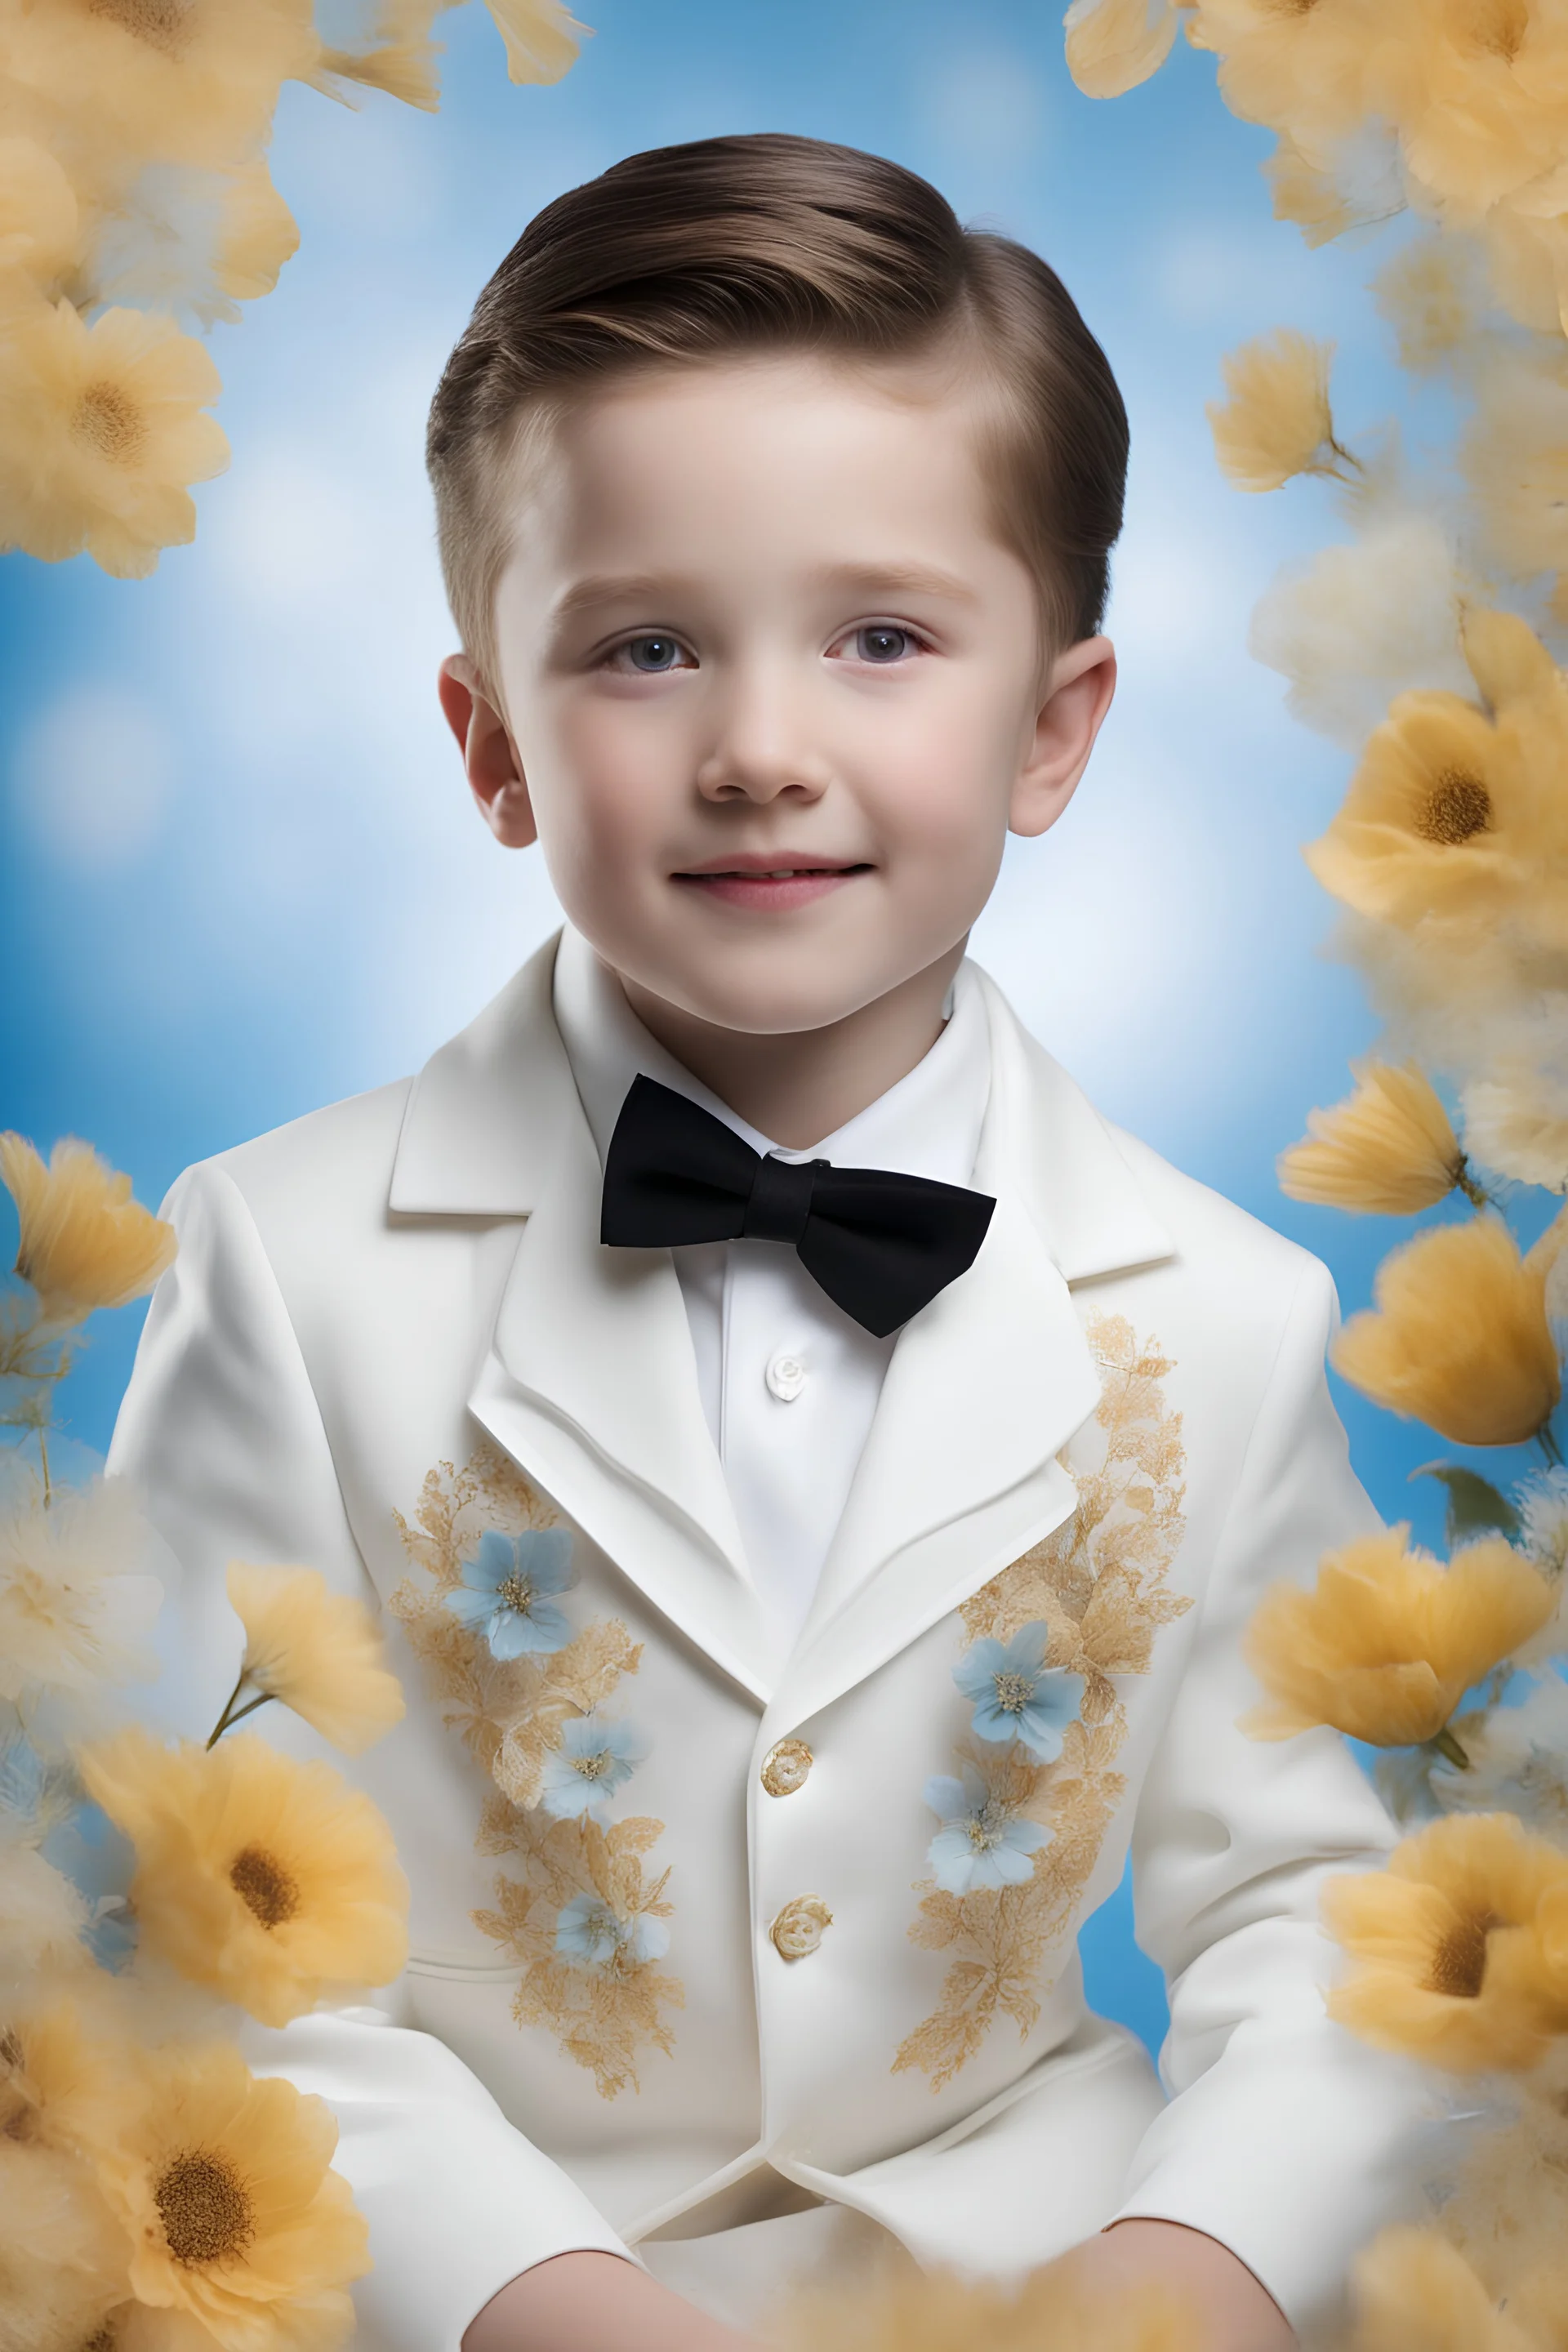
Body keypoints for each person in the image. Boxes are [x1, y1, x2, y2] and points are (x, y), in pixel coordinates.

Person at [109, 133, 1430, 2352]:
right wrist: (542, 2304)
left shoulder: (1228, 1312)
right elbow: (187, 1917)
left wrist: (1185, 2276)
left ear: (1054, 723)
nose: (759, 750)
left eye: (883, 638)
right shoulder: (280, 1259)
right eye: (642, 650)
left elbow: (1315, 1913)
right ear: (490, 744)